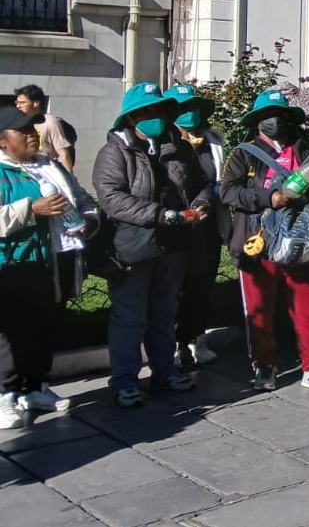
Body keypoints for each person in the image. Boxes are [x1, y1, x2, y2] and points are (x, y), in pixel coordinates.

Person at [93, 82, 211, 408]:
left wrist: (199, 206)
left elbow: (203, 184)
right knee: (129, 317)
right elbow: (113, 198)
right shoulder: (114, 152)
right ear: (130, 119)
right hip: (134, 245)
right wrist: (162, 215)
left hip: (175, 244)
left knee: (164, 312)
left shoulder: (178, 147)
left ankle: (164, 370)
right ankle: (125, 381)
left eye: (158, 110)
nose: (153, 116)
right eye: (145, 112)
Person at [221, 90, 309, 393]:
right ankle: (265, 365)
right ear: (257, 121)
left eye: (281, 115)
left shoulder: (305, 149)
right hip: (258, 239)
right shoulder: (243, 153)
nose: (275, 120)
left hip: (303, 240)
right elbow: (227, 192)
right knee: (259, 308)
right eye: (268, 115)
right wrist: (267, 197)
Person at [0, 107, 99, 428]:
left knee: (45, 325)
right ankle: (4, 396)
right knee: (10, 333)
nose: (33, 135)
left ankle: (36, 388)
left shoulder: (51, 166)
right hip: (15, 265)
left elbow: (83, 200)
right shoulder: (2, 172)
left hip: (56, 262)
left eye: (33, 129)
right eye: (23, 131)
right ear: (3, 142)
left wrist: (88, 221)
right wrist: (31, 209)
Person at [163, 84, 225, 367]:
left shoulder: (213, 142)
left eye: (193, 107)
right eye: (183, 108)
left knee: (201, 285)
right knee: (173, 287)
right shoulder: (165, 144)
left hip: (207, 226)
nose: (190, 113)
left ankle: (196, 337)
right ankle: (175, 344)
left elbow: (216, 182)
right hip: (174, 227)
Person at [14, 84, 75, 173]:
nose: (18, 106)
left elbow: (63, 153)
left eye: (22, 103)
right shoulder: (16, 122)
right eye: (17, 103)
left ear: (36, 103)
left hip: (47, 172)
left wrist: (70, 181)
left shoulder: (50, 122)